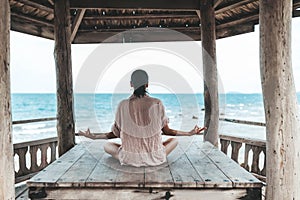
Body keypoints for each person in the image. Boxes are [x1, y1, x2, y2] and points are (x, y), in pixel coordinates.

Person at [79, 69, 206, 167]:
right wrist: (189, 133)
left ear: (131, 84)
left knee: (107, 146)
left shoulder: (122, 105)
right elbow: (167, 131)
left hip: (129, 159)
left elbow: (115, 134)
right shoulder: (157, 103)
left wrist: (94, 136)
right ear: (147, 84)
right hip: (155, 159)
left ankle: (141, 150)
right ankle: (149, 150)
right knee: (174, 141)